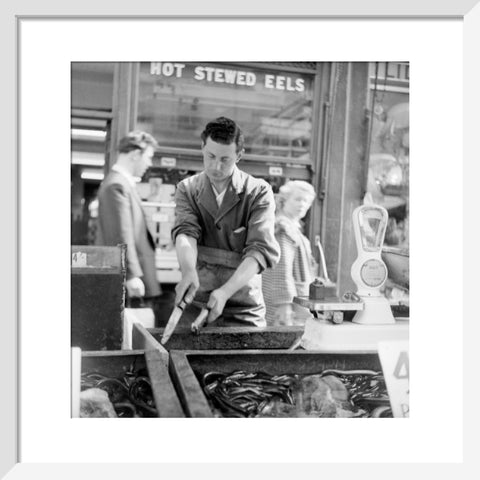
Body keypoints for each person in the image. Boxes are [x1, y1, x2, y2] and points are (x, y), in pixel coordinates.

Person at [171, 117, 280, 327]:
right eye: (210, 156)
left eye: (225, 159)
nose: (216, 166)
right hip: (196, 300)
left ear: (239, 155)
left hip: (243, 307)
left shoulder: (258, 191)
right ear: (202, 147)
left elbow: (259, 251)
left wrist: (225, 292)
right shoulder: (188, 189)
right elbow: (186, 233)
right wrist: (188, 271)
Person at [97, 131, 161, 301]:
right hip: (128, 281)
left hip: (132, 277)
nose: (149, 163)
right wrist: (130, 275)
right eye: (148, 157)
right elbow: (120, 233)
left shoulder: (122, 183)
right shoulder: (116, 185)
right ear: (135, 155)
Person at [262, 180, 317, 326]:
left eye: (306, 201)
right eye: (298, 199)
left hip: (296, 302)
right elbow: (280, 268)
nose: (302, 205)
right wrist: (284, 304)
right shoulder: (282, 228)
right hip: (286, 306)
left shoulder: (292, 227)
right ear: (284, 200)